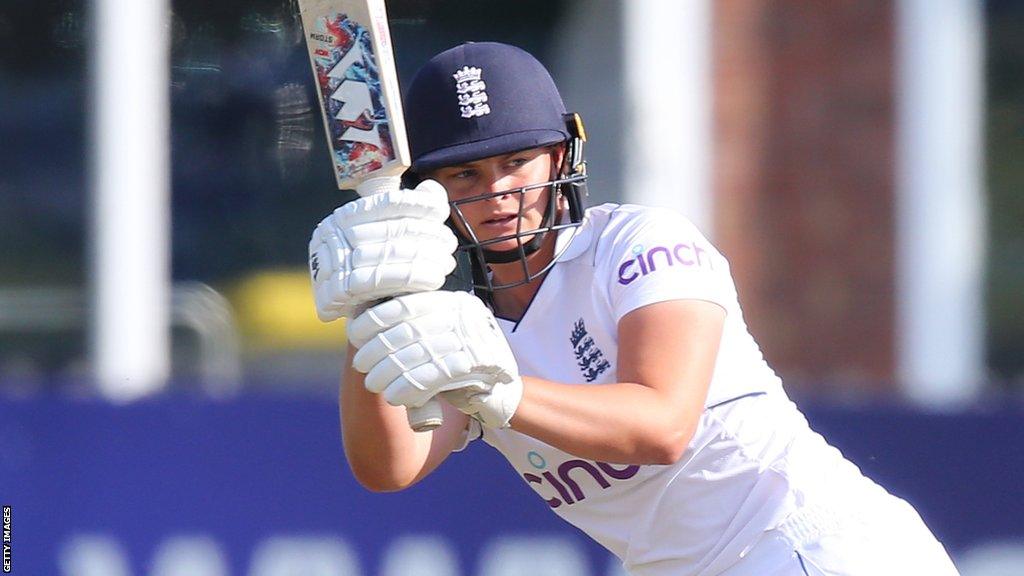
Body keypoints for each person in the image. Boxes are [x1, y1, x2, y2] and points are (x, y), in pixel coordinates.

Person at [308, 42, 960, 576]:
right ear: (431, 193)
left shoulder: (637, 243)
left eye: (517, 162)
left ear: (561, 157)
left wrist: (502, 394)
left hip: (812, 548)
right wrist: (375, 305)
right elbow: (387, 467)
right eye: (467, 177)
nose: (501, 194)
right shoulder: (460, 328)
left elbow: (662, 427)